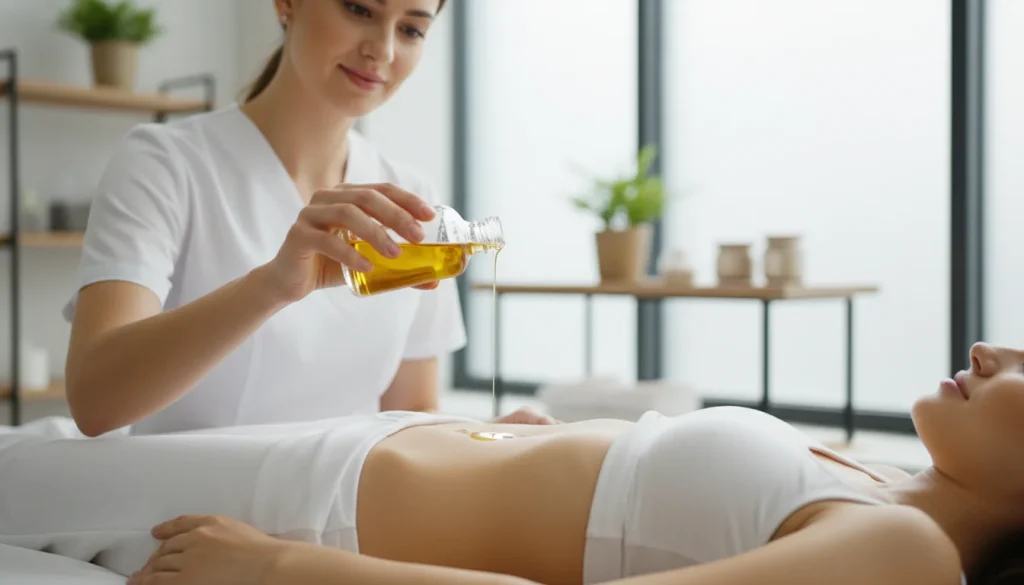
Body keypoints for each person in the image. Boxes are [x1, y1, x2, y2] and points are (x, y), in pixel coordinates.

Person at [5, 342, 1024, 584]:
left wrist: (282, 569)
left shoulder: (907, 552)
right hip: (349, 456)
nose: (991, 353)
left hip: (313, 516)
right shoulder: (878, 481)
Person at [60, 0, 549, 436]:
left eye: (411, 30)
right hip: (193, 515)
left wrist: (483, 436)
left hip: (339, 513)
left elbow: (411, 412)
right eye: (359, 10)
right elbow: (95, 402)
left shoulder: (413, 198)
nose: (382, 49)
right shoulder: (165, 163)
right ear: (286, 4)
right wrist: (272, 286)